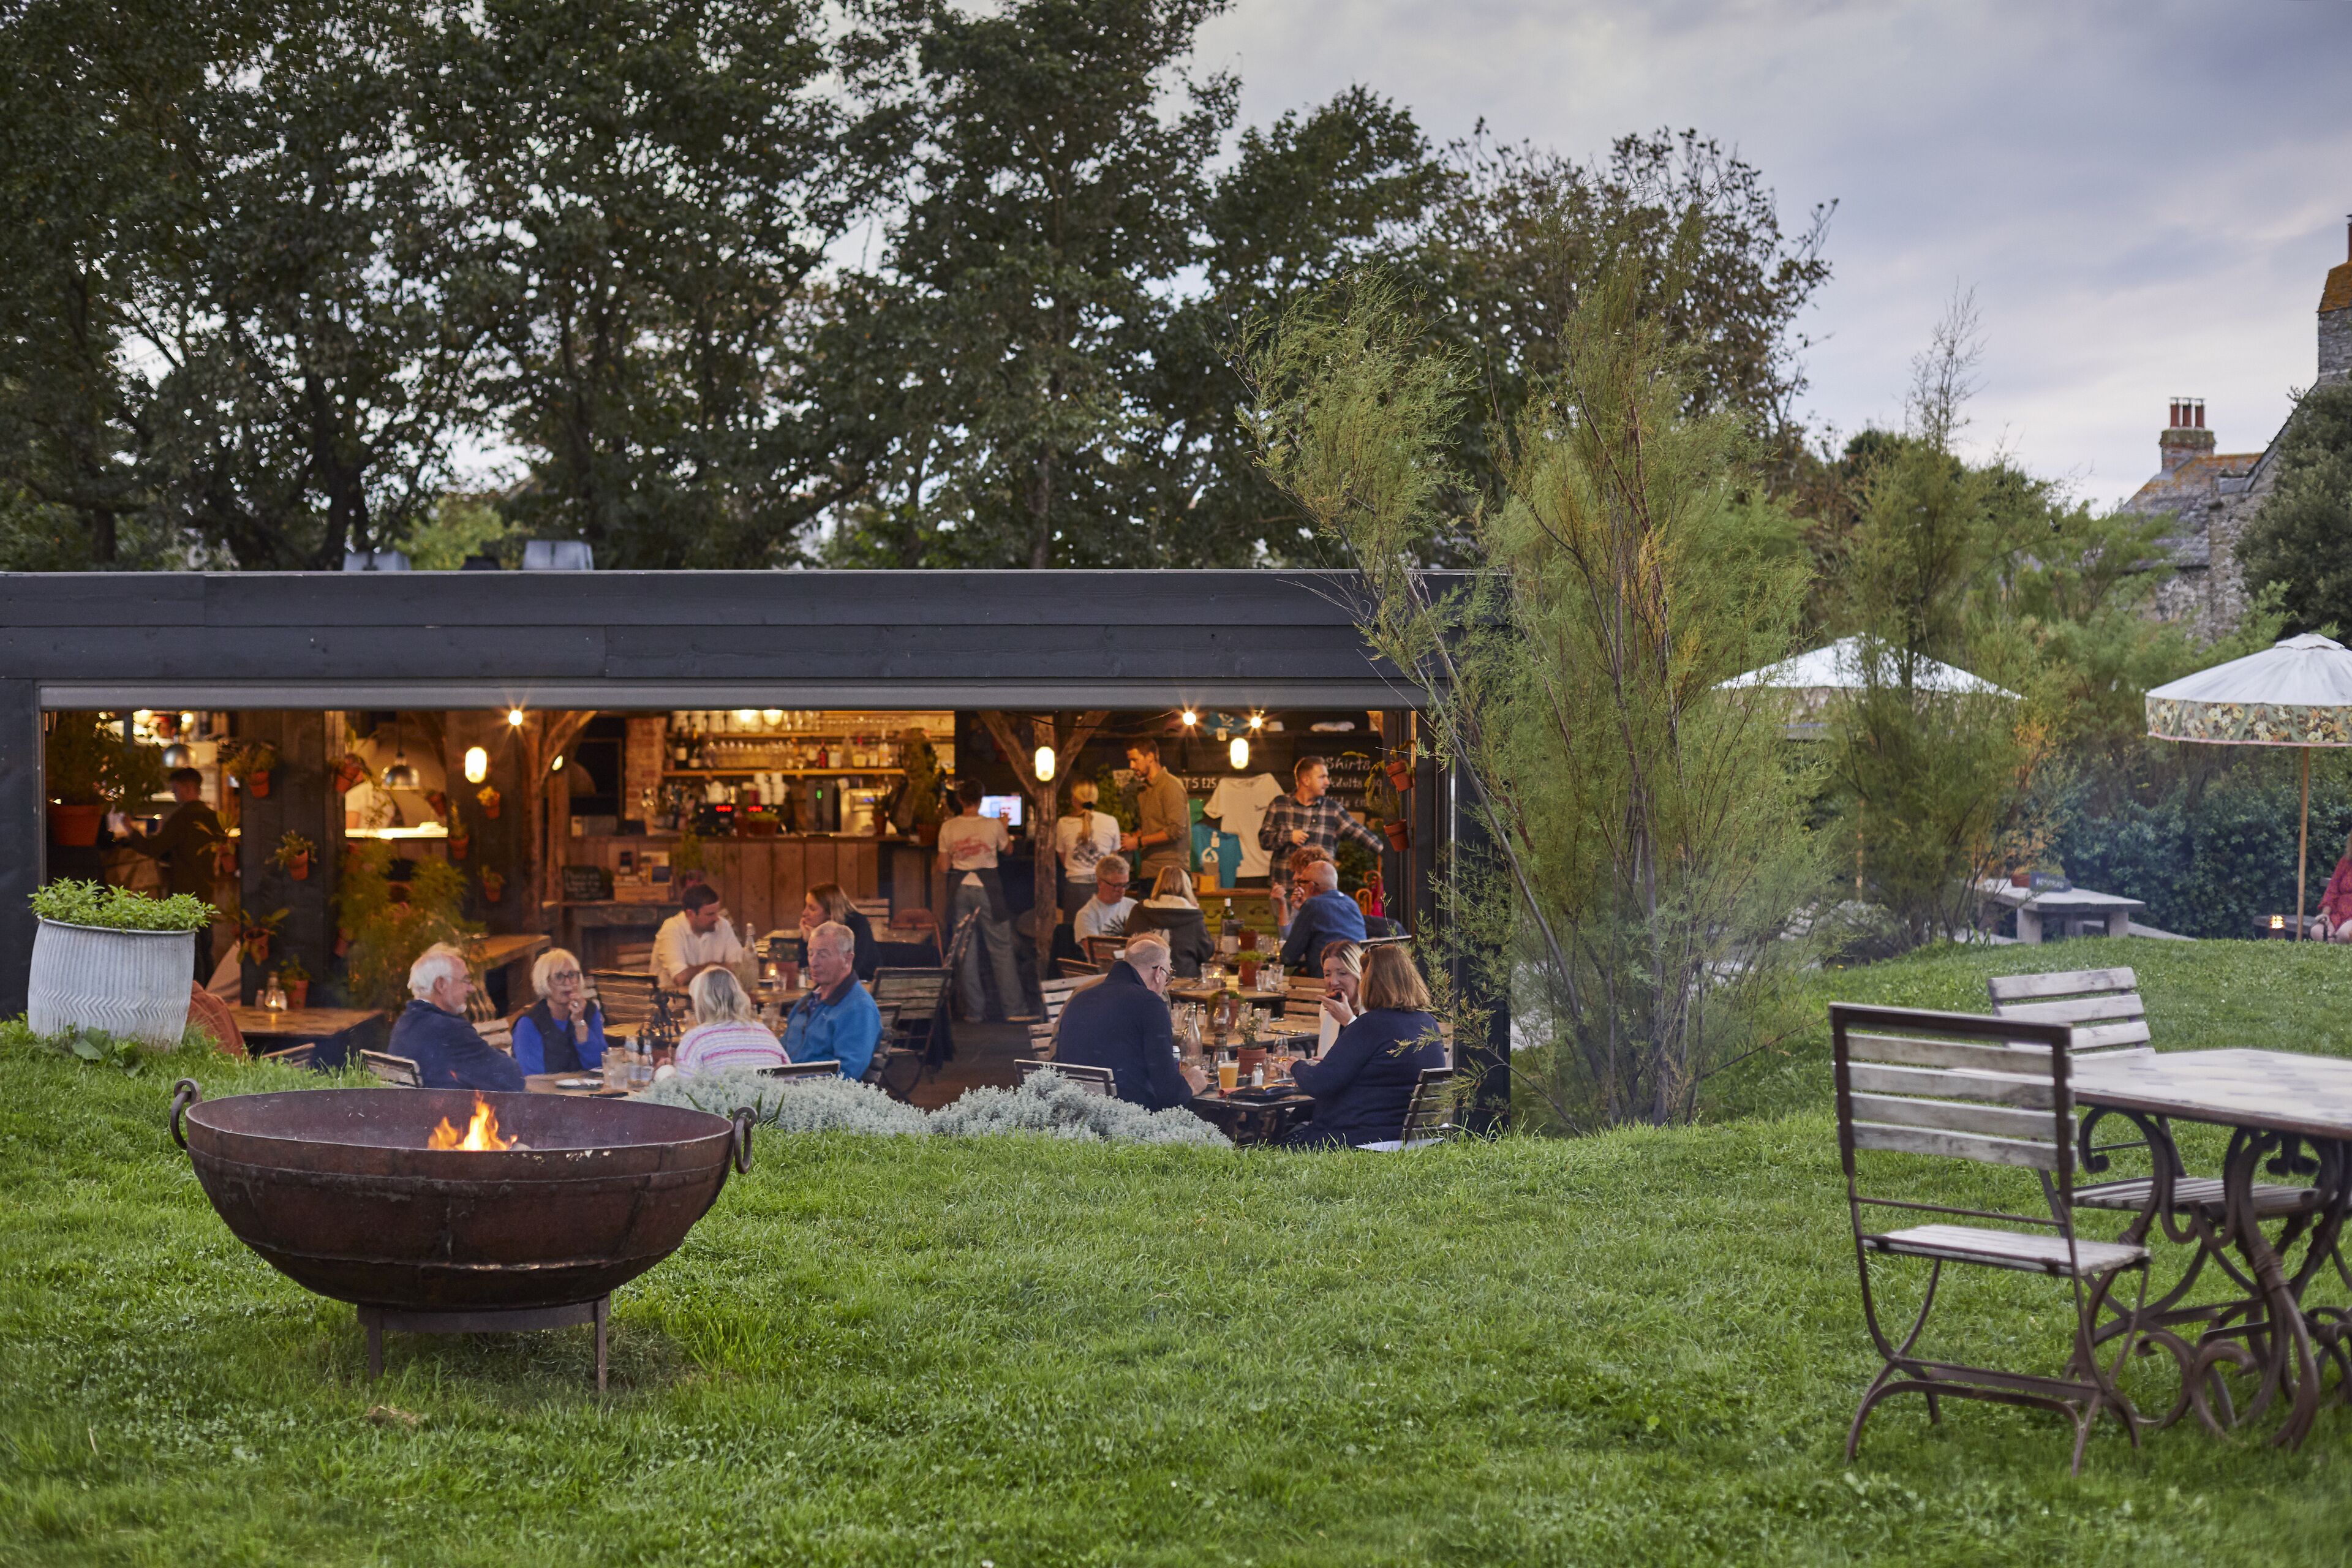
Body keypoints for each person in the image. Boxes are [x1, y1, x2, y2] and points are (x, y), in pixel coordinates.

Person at [1281, 944, 1446, 1148]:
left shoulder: (1370, 1025)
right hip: (1411, 1141)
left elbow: (1319, 1083)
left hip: (1356, 1140)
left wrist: (1296, 1066)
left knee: (1273, 1143)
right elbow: (1387, 1072)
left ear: (1371, 982)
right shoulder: (1428, 1023)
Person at [1052, 932, 1207, 1111]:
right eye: (1168, 977)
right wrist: (1191, 1083)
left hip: (1077, 1114)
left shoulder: (1080, 999)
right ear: (1159, 973)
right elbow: (1170, 1093)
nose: (1166, 983)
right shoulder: (1149, 1004)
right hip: (1128, 1118)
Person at [936, 779, 1037, 1022]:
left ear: (960, 799)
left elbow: (943, 867)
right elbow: (1008, 851)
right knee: (1001, 948)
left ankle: (974, 1012)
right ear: (981, 800)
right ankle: (1014, 1010)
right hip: (988, 888)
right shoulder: (993, 825)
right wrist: (1004, 827)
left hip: (959, 889)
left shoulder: (948, 827)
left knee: (965, 950)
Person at [119, 767, 225, 981]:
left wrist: (131, 830)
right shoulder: (215, 818)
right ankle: (210, 991)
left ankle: (195, 994)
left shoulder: (183, 817)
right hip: (207, 890)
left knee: (191, 950)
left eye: (176, 789)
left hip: (185, 892)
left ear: (187, 788)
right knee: (206, 947)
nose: (175, 794)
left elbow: (154, 847)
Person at [390, 944, 524, 1092]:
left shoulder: (406, 1022)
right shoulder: (448, 1029)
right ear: (441, 985)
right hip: (448, 1107)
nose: (472, 989)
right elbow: (512, 1078)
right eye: (466, 981)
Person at [1257, 755, 1386, 904]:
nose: (1327, 782)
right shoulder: (1279, 804)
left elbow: (1358, 833)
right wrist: (1288, 836)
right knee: (1285, 921)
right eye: (1322, 777)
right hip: (1285, 890)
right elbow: (1264, 840)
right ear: (1306, 780)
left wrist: (1388, 852)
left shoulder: (1332, 809)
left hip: (1320, 893)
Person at [781, 921, 884, 1080]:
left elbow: (847, 1073)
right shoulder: (807, 1002)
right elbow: (780, 1051)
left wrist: (792, 1084)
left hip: (814, 1092)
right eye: (811, 953)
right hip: (782, 1085)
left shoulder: (858, 1009)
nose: (813, 962)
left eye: (823, 955)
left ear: (847, 959)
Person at [509, 947, 607, 1075]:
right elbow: (532, 1078)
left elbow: (600, 1065)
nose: (568, 983)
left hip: (589, 1086)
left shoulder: (589, 1011)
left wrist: (580, 1023)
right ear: (545, 982)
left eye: (572, 975)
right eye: (559, 977)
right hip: (546, 1088)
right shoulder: (529, 1023)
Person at [673, 968, 786, 1076]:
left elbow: (684, 1086)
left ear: (700, 1003)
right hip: (769, 1090)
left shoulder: (695, 1039)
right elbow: (789, 1078)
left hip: (721, 1091)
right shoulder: (765, 1034)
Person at [653, 883, 747, 992]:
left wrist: (694, 970)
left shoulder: (723, 925)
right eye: (710, 914)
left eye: (717, 912)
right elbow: (681, 978)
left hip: (713, 997)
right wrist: (714, 966)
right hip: (672, 1000)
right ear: (690, 914)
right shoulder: (672, 929)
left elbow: (738, 968)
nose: (716, 919)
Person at [1280, 859, 1370, 973]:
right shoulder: (1352, 904)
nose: (1300, 886)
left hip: (1327, 978)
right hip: (1356, 977)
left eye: (1302, 882)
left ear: (1311, 886)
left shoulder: (1313, 905)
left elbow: (1288, 957)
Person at [1120, 737, 1189, 882]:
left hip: (1170, 873)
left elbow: (1176, 830)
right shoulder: (1144, 789)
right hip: (1148, 870)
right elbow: (1152, 829)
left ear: (1150, 757)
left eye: (1135, 760)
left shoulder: (1170, 785)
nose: (1131, 766)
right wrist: (1130, 839)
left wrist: (1138, 842)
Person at [1126, 866, 1215, 978]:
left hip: (1144, 979)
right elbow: (1206, 953)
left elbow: (1127, 945)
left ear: (1157, 885)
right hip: (1185, 980)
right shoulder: (1193, 915)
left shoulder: (1139, 910)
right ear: (1187, 887)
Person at [1054, 780, 1123, 916]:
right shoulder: (1111, 821)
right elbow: (1113, 857)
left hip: (1075, 889)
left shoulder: (1063, 823)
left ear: (1074, 799)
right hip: (1104, 886)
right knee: (1104, 928)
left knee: (1074, 928)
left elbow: (1063, 856)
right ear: (1096, 799)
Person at [802, 882, 880, 981]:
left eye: (812, 909)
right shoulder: (812, 929)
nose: (804, 913)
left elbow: (851, 968)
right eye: (806, 906)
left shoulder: (857, 924)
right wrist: (808, 940)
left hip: (864, 983)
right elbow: (804, 969)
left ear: (830, 912)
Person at [1313, 940, 1366, 1055]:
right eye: (1327, 974)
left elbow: (1372, 1052)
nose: (1333, 982)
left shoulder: (1375, 1008)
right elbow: (1324, 1056)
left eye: (1342, 973)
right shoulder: (1328, 1007)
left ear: (1359, 975)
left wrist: (1348, 1021)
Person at [1073, 852, 1137, 944]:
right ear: (1100, 883)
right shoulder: (1086, 915)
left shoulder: (1134, 906)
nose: (1122, 890)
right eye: (1117, 885)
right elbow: (1095, 951)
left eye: (1125, 885)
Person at [2316, 827, 2352, 941]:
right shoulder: (2345, 862)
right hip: (2338, 915)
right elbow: (2332, 890)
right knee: (2317, 932)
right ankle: (2331, 951)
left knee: (2344, 934)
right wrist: (2326, 914)